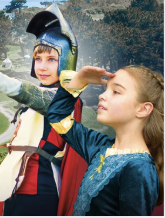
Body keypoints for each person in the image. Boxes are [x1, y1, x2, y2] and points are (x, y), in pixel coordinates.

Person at [0, 4, 88, 215]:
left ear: (66, 61)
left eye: (52, 59)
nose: (42, 66)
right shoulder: (47, 91)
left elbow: (39, 98)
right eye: (38, 59)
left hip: (42, 189)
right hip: (16, 186)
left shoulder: (68, 97)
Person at [46, 65, 162, 215]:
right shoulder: (101, 146)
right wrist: (79, 80)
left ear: (143, 109)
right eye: (106, 89)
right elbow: (57, 117)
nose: (102, 95)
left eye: (116, 92)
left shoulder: (139, 169)